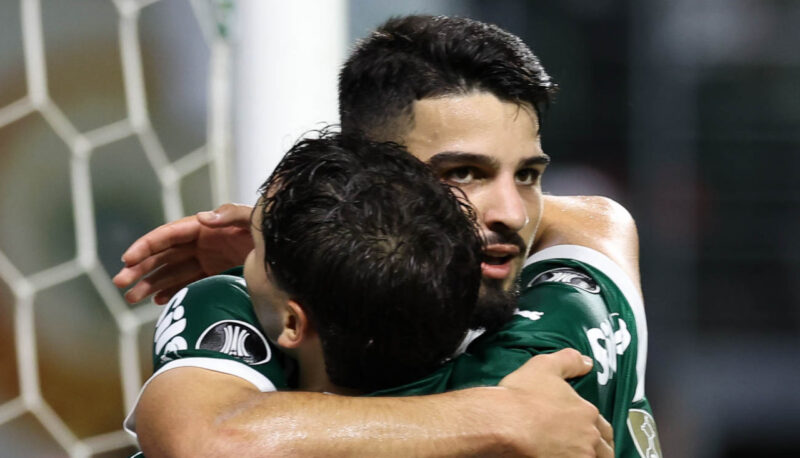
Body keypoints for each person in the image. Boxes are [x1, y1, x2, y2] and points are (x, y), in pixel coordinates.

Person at [116, 15, 656, 457]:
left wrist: (296, 221)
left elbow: (593, 215)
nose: (512, 214)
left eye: (528, 175)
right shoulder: (536, 386)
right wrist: (495, 418)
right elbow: (206, 439)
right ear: (367, 170)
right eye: (463, 173)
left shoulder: (555, 333)